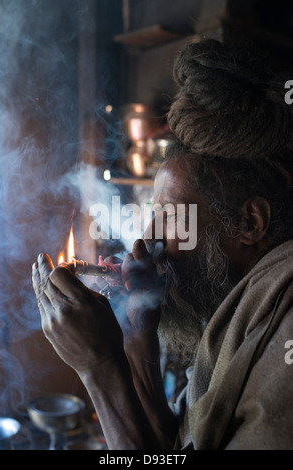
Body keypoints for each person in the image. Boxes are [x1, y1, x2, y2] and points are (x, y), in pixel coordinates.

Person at [32, 39, 293, 450]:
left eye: (170, 216)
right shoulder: (237, 310)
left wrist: (99, 368)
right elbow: (169, 448)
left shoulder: (284, 319)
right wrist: (139, 333)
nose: (148, 237)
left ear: (249, 222)